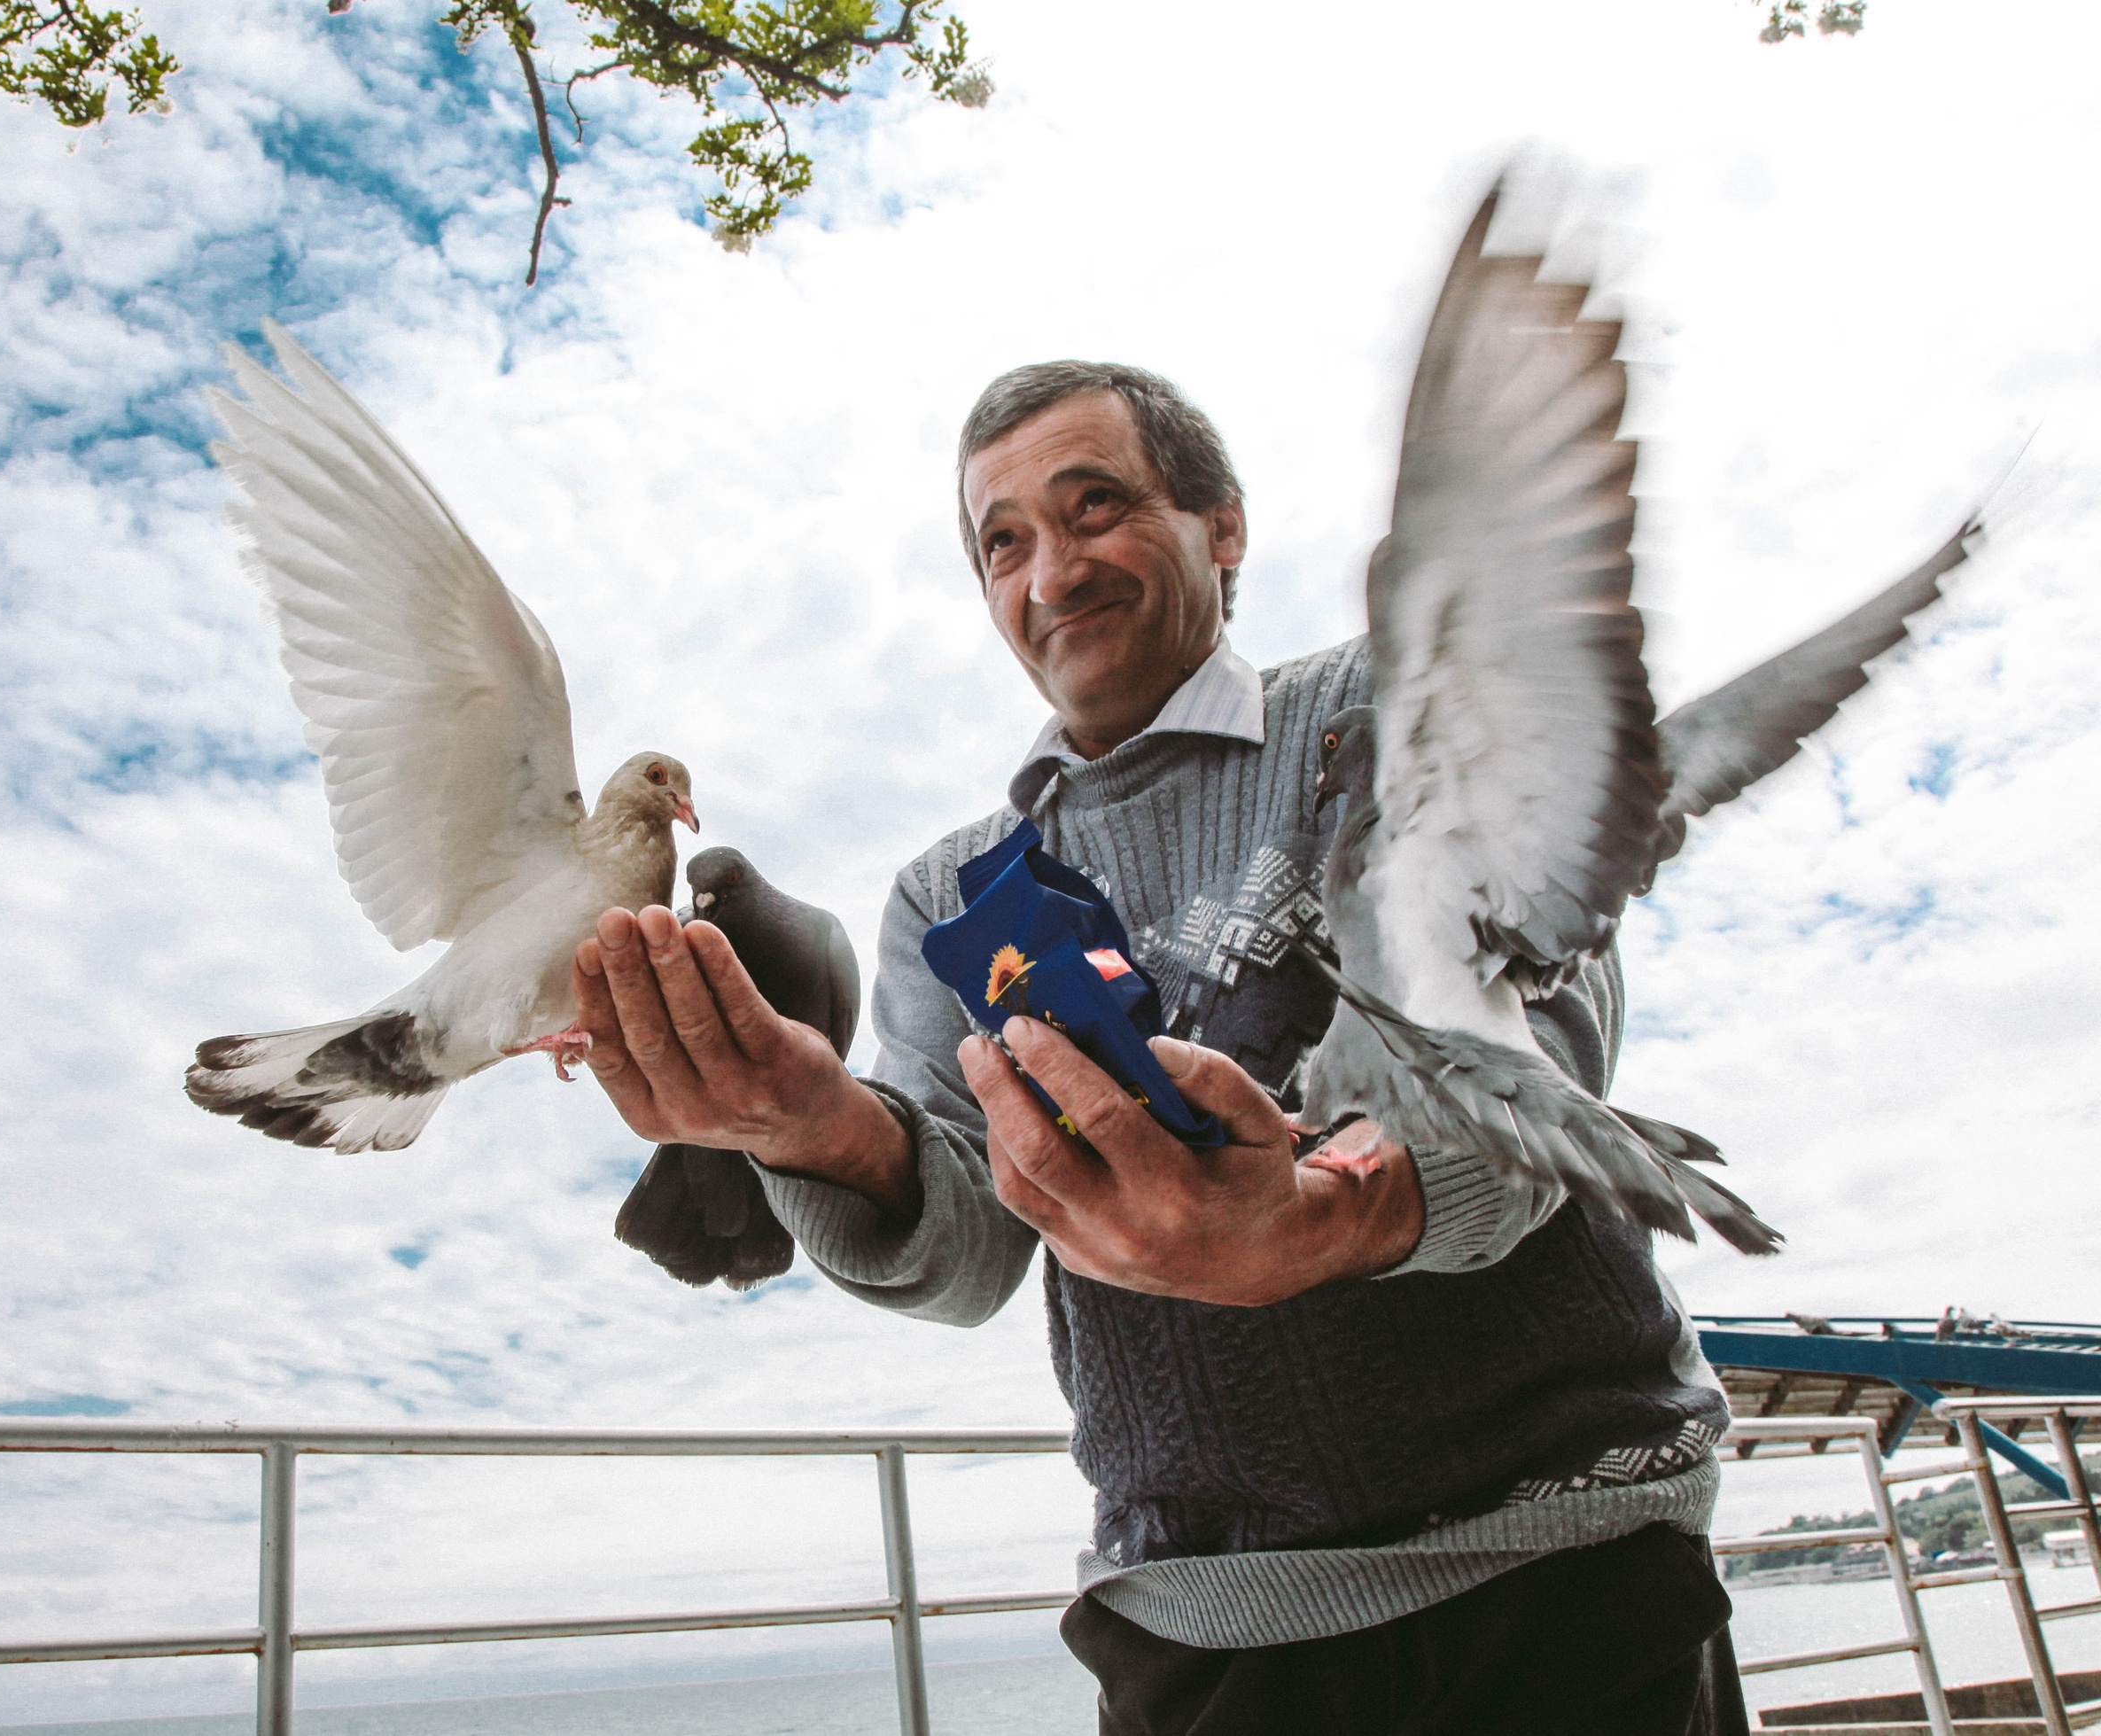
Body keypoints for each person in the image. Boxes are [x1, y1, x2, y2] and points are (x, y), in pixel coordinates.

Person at [565, 361, 1748, 1736]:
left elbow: (1545, 1046)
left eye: (1095, 508)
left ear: (1222, 528)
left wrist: (1321, 1215)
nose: (1050, 572)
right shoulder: (950, 891)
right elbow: (963, 1254)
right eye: (1002, 542)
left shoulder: (1390, 703)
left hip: (1562, 1586)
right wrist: (804, 1124)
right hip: (1202, 1631)